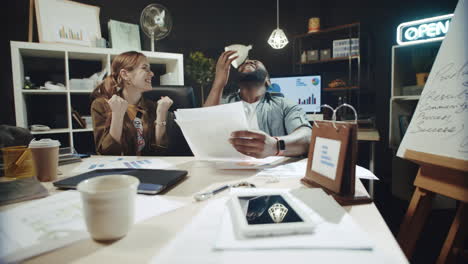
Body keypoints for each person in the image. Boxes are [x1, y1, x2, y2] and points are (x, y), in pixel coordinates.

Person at [204, 51, 312, 158]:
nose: (248, 61)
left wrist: (275, 146)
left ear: (267, 80)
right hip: (227, 170)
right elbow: (204, 129)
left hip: (271, 173)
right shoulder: (223, 104)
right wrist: (219, 83)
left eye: (255, 62)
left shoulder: (284, 105)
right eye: (243, 63)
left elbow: (307, 137)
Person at [90, 51, 173, 156]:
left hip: (148, 168)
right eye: (144, 68)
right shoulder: (102, 105)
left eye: (150, 69)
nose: (152, 73)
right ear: (125, 75)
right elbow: (107, 153)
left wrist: (161, 114)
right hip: (119, 170)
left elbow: (160, 151)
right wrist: (117, 115)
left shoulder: (152, 107)